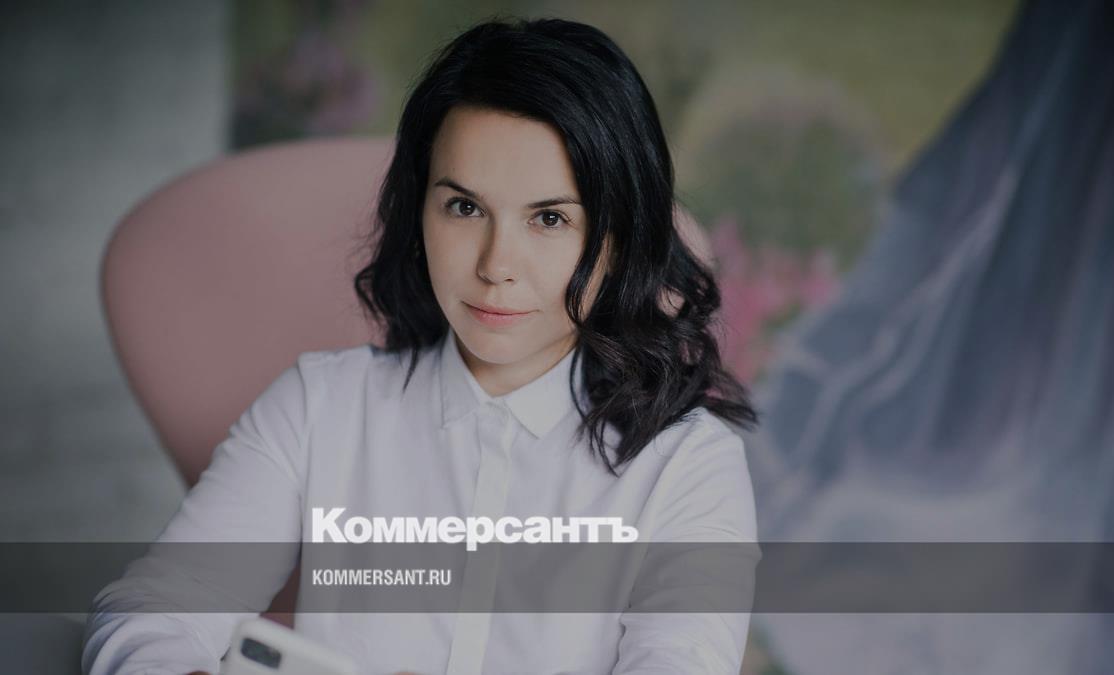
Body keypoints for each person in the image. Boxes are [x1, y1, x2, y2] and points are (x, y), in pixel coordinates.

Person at [82, 16, 760, 675]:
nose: (496, 265)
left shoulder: (687, 465)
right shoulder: (321, 406)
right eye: (464, 207)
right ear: (419, 210)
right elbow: (156, 609)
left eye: (550, 218)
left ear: (619, 238)